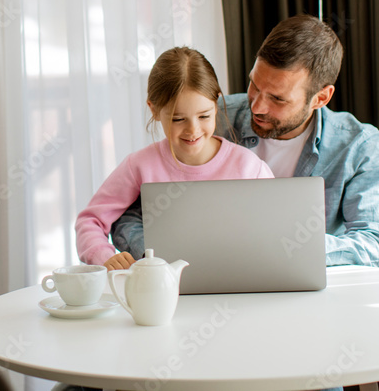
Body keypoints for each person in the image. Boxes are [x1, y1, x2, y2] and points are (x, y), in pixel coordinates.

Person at [110, 14, 379, 270]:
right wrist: (166, 256)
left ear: (321, 98)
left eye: (277, 98)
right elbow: (131, 217)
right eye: (254, 84)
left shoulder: (357, 146)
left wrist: (289, 247)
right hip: (208, 284)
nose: (257, 106)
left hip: (306, 295)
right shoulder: (210, 119)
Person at [75, 46, 274, 271]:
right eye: (178, 119)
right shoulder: (139, 165)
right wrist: (104, 257)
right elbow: (89, 221)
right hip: (165, 291)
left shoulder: (250, 167)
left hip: (239, 281)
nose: (193, 130)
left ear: (216, 103)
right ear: (154, 110)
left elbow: (274, 230)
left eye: (204, 116)